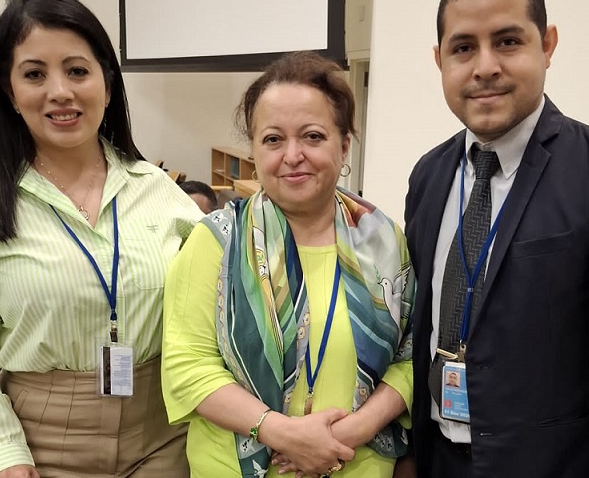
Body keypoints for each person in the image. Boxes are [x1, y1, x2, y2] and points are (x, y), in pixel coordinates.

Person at [404, 0, 589, 477]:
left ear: (547, 45)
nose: (484, 66)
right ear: (439, 59)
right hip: (438, 459)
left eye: (507, 41)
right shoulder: (430, 174)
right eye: (463, 48)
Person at [0, 0, 203, 478]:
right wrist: (1, 458)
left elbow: (224, 298)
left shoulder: (157, 189)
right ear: (9, 91)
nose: (60, 91)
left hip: (165, 440)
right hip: (38, 445)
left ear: (108, 82)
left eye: (78, 71)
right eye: (34, 74)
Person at [162, 51, 415, 478]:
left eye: (313, 137)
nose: (292, 155)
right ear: (255, 149)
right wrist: (282, 433)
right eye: (273, 139)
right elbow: (187, 368)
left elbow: (409, 357)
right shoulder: (216, 241)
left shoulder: (384, 240)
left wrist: (352, 431)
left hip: (357, 463)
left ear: (345, 144)